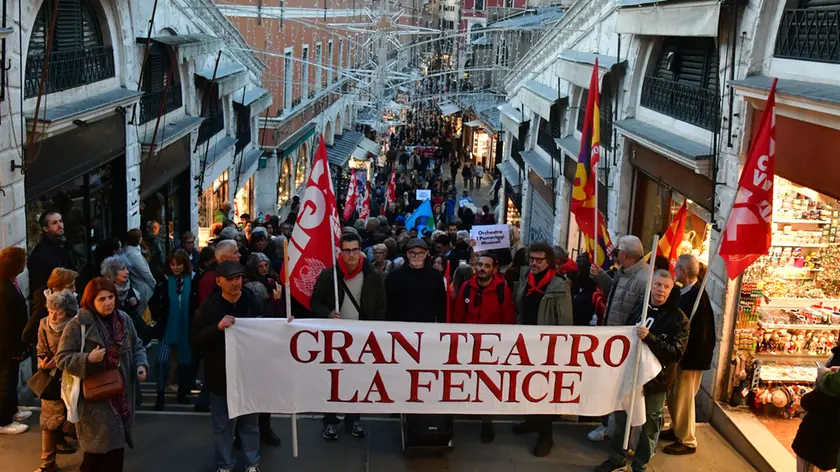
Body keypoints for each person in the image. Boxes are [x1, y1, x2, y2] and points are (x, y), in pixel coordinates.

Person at [595, 270, 690, 472]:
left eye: (666, 286)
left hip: (657, 381)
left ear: (672, 289)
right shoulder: (640, 306)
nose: (660, 290)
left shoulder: (678, 319)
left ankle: (641, 465)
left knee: (649, 425)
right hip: (630, 375)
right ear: (650, 286)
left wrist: (651, 338)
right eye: (657, 285)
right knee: (622, 418)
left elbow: (675, 352)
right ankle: (618, 457)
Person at [55, 277, 149, 472]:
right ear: (91, 301)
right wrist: (87, 358)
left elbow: (136, 344)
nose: (108, 303)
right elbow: (62, 358)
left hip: (121, 394)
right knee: (95, 455)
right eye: (101, 299)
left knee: (115, 454)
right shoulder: (78, 325)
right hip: (95, 399)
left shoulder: (123, 319)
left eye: (110, 297)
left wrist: (141, 365)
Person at [310, 233, 387, 440]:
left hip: (362, 339)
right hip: (334, 339)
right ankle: (330, 421)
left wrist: (375, 332)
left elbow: (381, 307)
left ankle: (353, 419)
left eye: (354, 250)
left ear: (360, 250)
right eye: (347, 250)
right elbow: (314, 302)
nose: (351, 255)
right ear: (340, 252)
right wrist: (327, 313)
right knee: (333, 380)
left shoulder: (373, 277)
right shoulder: (329, 276)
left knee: (356, 380)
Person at [191, 261, 263, 472]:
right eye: (230, 279)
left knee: (250, 423)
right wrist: (216, 328)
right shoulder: (209, 306)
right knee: (222, 425)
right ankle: (225, 464)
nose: (236, 283)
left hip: (249, 374)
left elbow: (269, 328)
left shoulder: (253, 302)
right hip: (219, 376)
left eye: (239, 277)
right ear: (218, 281)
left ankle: (252, 463)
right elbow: (195, 340)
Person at [512, 243, 574, 456]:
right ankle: (531, 421)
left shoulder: (559, 285)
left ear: (549, 262)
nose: (534, 263)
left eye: (539, 260)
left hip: (547, 347)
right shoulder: (525, 280)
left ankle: (546, 435)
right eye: (531, 259)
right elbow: (520, 308)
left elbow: (565, 320)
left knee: (544, 390)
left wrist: (561, 347)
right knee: (527, 385)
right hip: (526, 343)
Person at [588, 235, 650, 442]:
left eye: (616, 252)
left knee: (621, 390)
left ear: (623, 255)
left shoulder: (644, 279)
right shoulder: (625, 272)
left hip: (626, 345)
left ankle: (619, 432)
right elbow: (617, 292)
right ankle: (609, 426)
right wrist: (601, 277)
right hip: (614, 340)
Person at [451, 253, 515, 443]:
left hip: (492, 347)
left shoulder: (502, 289)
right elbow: (458, 315)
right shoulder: (466, 287)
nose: (482, 269)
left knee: (488, 384)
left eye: (487, 266)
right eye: (479, 264)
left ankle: (487, 421)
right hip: (469, 344)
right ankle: (471, 409)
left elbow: (508, 318)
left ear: (494, 269)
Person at [661, 255, 717, 455]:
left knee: (683, 399)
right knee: (675, 397)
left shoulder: (697, 297)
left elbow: (701, 336)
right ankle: (677, 430)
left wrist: (684, 357)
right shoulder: (683, 292)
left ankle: (687, 440)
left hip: (690, 359)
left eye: (677, 269)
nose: (675, 272)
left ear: (684, 272)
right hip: (679, 357)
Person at [35, 289, 79, 471]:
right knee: (48, 423)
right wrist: (42, 363)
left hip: (72, 380)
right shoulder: (43, 324)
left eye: (58, 312)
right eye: (50, 311)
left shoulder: (75, 326)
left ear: (67, 312)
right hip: (52, 380)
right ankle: (47, 464)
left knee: (78, 422)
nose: (53, 316)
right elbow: (40, 350)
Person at [149, 251, 198, 410]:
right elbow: (153, 302)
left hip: (187, 327)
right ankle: (160, 394)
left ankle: (182, 392)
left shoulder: (193, 279)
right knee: (162, 361)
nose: (176, 268)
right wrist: (158, 317)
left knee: (185, 362)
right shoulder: (163, 282)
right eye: (172, 265)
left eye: (179, 264)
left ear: (185, 264)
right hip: (167, 328)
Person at [0, 247, 31, 435]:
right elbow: (6, 323)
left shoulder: (10, 283)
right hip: (6, 345)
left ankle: (12, 410)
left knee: (11, 377)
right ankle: (3, 421)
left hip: (11, 343)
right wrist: (14, 348)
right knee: (6, 380)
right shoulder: (3, 288)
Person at [386, 238, 447, 324]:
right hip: (400, 327)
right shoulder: (394, 276)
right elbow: (389, 305)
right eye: (413, 253)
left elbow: (441, 305)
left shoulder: (435, 276)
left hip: (427, 327)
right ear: (407, 254)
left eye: (421, 253)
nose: (417, 257)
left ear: (426, 254)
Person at [28, 211, 76, 309]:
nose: (60, 225)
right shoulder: (41, 252)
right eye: (54, 223)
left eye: (60, 221)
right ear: (46, 228)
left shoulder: (64, 244)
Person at [100, 255, 151, 345]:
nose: (127, 272)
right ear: (112, 273)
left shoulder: (127, 285)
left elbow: (135, 306)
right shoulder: (105, 290)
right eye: (122, 269)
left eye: (127, 269)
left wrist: (134, 303)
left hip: (132, 329)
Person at [22, 268, 78, 346]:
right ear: (56, 289)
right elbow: (28, 334)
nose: (74, 289)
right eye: (70, 287)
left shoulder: (72, 300)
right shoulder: (42, 308)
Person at [121, 229, 157, 317]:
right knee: (143, 313)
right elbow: (145, 273)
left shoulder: (127, 250)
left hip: (137, 285)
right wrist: (155, 285)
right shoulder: (134, 255)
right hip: (142, 288)